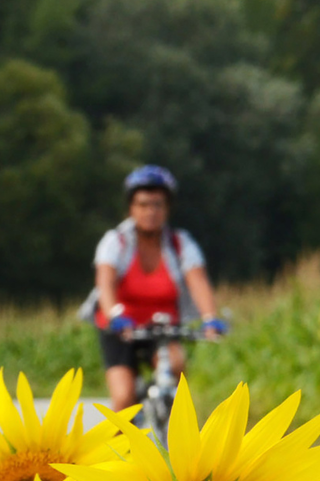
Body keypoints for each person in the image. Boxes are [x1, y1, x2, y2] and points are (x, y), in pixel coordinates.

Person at [94, 165, 225, 410]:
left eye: (158, 204)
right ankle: (117, 446)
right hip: (121, 328)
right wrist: (114, 315)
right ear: (131, 208)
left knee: (177, 369)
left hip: (162, 327)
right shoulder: (116, 242)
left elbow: (198, 281)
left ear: (167, 208)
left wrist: (210, 318)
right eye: (143, 204)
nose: (150, 212)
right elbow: (105, 282)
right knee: (123, 398)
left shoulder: (179, 244)